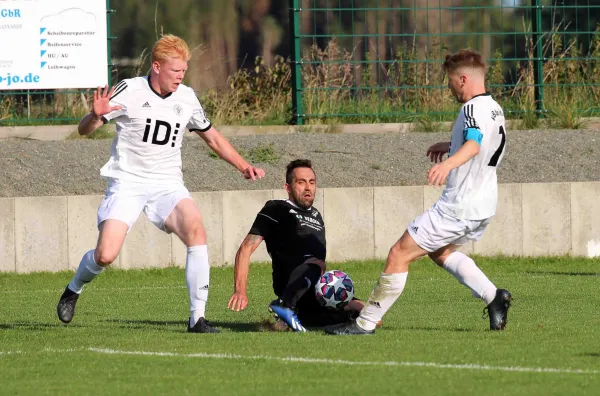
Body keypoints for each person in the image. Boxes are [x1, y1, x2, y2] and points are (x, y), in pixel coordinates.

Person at [56, 34, 265, 333]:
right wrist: (94, 115)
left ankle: (198, 319)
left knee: (196, 230)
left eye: (183, 71)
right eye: (175, 70)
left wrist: (243, 165)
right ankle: (74, 288)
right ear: (156, 66)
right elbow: (84, 130)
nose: (181, 76)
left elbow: (213, 137)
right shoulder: (129, 90)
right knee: (105, 255)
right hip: (128, 182)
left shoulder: (187, 97)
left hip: (167, 183)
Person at [324, 49, 512, 335]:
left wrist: (448, 163)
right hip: (484, 205)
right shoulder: (494, 108)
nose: (449, 87)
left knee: (398, 253)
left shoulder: (471, 108)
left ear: (463, 79)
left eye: (450, 81)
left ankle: (365, 322)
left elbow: (474, 145)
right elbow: (481, 143)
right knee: (441, 252)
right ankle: (494, 296)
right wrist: (449, 145)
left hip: (459, 206)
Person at [227, 159, 371, 332]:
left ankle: (291, 319)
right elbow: (246, 248)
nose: (308, 187)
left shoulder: (317, 216)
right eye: (301, 182)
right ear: (288, 187)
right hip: (289, 283)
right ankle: (285, 306)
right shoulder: (276, 208)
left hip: (316, 291)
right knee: (316, 263)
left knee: (371, 317)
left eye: (312, 182)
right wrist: (240, 290)